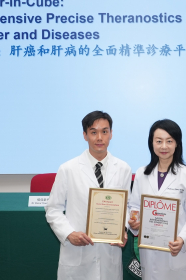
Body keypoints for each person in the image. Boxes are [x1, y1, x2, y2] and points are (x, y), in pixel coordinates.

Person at [45, 111, 132, 280]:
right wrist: (69, 233)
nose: (99, 137)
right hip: (77, 254)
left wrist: (123, 229)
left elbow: (126, 206)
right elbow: (52, 209)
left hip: (109, 255)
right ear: (85, 135)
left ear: (111, 134)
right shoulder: (68, 169)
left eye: (104, 131)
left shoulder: (123, 169)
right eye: (93, 132)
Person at [128, 119, 186, 280]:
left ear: (177, 144)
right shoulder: (142, 173)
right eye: (159, 141)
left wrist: (182, 239)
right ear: (151, 143)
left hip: (176, 253)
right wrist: (134, 223)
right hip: (149, 250)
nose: (164, 146)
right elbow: (134, 206)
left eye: (169, 141)